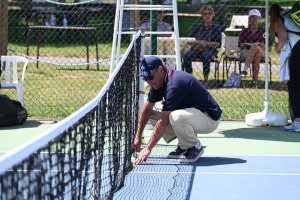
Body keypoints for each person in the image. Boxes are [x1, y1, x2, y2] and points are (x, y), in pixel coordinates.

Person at [133, 56, 222, 165]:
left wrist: (147, 150)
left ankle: (194, 147)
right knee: (152, 112)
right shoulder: (158, 83)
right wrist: (138, 136)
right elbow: (147, 109)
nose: (148, 81)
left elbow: (163, 121)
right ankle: (184, 145)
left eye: (150, 76)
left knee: (176, 116)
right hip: (193, 116)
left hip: (209, 118)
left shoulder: (175, 84)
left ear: (160, 69)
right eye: (145, 78)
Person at [269, 3, 300, 132]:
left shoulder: (278, 20)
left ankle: (298, 122)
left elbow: (282, 35)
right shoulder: (292, 18)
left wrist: (278, 47)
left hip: (298, 50)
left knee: (295, 85)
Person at [183, 5, 222, 89]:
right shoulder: (197, 27)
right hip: (196, 48)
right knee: (187, 56)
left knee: (205, 55)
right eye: (205, 14)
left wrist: (207, 43)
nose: (207, 15)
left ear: (212, 15)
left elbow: (218, 44)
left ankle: (205, 80)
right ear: (202, 15)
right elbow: (189, 41)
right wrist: (199, 42)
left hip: (210, 49)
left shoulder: (216, 28)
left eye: (209, 13)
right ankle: (190, 79)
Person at [238, 9, 272, 88]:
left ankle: (245, 69)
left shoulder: (264, 31)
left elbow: (270, 49)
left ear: (260, 19)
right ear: (249, 20)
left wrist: (263, 45)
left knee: (256, 47)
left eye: (256, 17)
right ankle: (254, 82)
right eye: (252, 17)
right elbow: (241, 44)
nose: (254, 20)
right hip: (246, 51)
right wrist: (247, 45)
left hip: (262, 51)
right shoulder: (244, 31)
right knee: (256, 54)